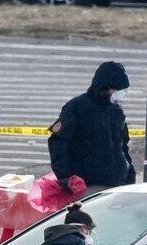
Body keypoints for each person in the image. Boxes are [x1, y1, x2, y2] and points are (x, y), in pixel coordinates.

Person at [48, 61, 134, 193]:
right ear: (105, 87)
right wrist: (65, 177)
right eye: (116, 90)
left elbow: (122, 145)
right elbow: (58, 142)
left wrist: (129, 173)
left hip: (118, 183)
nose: (119, 93)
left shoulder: (116, 112)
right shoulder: (78, 107)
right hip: (88, 184)